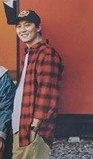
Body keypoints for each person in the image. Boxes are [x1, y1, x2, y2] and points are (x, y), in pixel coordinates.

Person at [12, 10, 63, 159]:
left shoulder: (46, 54)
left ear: (38, 27)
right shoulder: (29, 53)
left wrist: (34, 127)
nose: (22, 30)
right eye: (19, 26)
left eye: (27, 25)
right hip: (21, 125)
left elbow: (47, 93)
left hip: (33, 129)